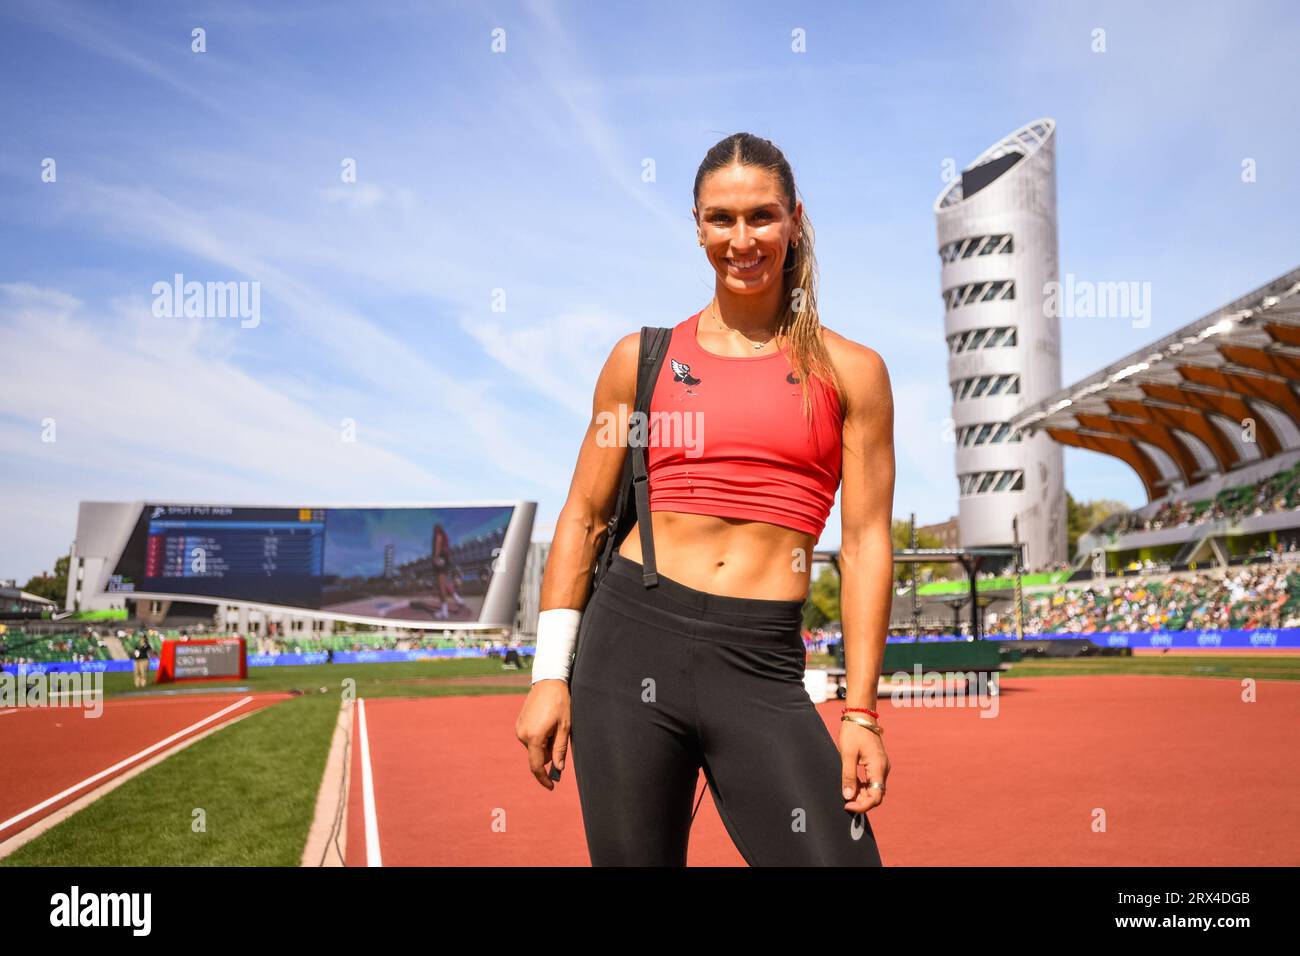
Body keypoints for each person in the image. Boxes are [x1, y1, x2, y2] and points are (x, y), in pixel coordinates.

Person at [515, 132, 894, 866]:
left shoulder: (855, 374)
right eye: (722, 219)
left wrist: (862, 713)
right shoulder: (641, 361)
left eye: (762, 216)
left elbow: (865, 544)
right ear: (697, 226)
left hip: (760, 662)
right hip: (628, 646)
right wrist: (547, 678)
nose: (742, 239)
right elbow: (586, 518)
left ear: (795, 220)